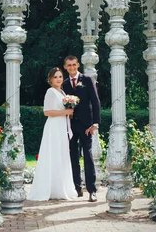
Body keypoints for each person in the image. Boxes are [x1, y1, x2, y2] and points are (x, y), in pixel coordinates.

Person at [27, 67, 78, 201]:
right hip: (54, 126)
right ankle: (48, 188)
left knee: (61, 154)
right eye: (55, 77)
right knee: (53, 154)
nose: (58, 79)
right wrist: (65, 113)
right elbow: (47, 112)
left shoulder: (61, 92)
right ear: (50, 79)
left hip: (62, 127)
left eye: (60, 76)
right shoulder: (50, 92)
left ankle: (60, 188)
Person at [63, 55, 101, 203]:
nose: (72, 67)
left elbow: (95, 101)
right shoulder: (64, 84)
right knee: (73, 157)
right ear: (65, 67)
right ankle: (76, 188)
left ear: (78, 65)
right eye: (69, 65)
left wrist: (95, 123)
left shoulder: (87, 80)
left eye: (74, 64)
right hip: (70, 126)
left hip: (86, 126)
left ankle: (92, 190)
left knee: (88, 156)